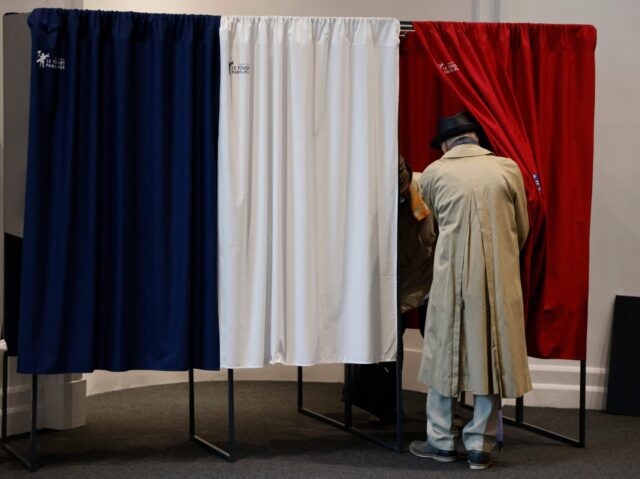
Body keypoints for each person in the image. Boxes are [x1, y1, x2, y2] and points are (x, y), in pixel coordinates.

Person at [409, 112, 532, 470]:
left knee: (443, 354)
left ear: (446, 144)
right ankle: (480, 444)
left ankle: (442, 440)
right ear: (476, 139)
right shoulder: (508, 169)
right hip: (498, 277)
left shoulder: (434, 173)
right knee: (491, 356)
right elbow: (520, 227)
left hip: (451, 278)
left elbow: (427, 231)